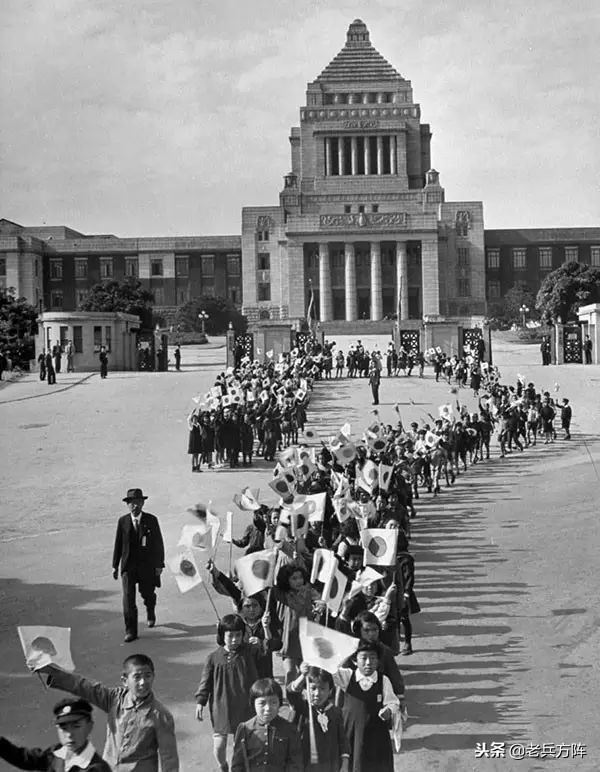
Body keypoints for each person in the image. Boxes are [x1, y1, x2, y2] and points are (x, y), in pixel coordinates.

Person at [40, 655, 178, 772]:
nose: (143, 682)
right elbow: (84, 687)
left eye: (148, 676)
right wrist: (52, 672)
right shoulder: (114, 699)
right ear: (125, 680)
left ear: (153, 676)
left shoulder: (161, 715)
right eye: (137, 677)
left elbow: (169, 758)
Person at [195, 614, 260, 772]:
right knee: (219, 746)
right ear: (221, 635)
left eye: (238, 635)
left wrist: (260, 639)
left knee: (246, 742)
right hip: (221, 705)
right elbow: (205, 682)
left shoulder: (248, 652)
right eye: (230, 635)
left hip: (245, 705)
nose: (234, 639)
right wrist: (200, 702)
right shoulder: (213, 658)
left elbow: (264, 649)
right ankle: (223, 766)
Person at [333, 641, 399, 772]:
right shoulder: (347, 676)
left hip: (376, 736)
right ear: (355, 660)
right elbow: (332, 670)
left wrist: (388, 710)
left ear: (378, 660)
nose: (368, 662)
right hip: (352, 733)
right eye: (363, 658)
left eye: (373, 658)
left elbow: (393, 702)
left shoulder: (383, 680)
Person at [0, 697, 111, 772]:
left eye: (76, 726)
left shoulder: (97, 769)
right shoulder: (56, 752)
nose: (69, 734)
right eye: (63, 728)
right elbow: (25, 758)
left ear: (89, 726)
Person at [112, 487, 165, 642]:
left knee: (147, 593)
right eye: (131, 503)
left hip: (146, 566)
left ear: (142, 503)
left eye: (137, 503)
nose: (134, 506)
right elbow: (118, 544)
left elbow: (158, 544)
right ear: (127, 505)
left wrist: (159, 565)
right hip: (128, 566)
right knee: (128, 599)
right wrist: (115, 565)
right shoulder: (123, 522)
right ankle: (131, 631)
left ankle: (150, 610)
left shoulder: (151, 520)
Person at [231, 678, 303, 772]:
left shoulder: (290, 729)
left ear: (279, 704)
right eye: (262, 703)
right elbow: (237, 764)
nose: (268, 708)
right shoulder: (245, 729)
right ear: (253, 704)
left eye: (273, 702)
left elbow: (295, 763)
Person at [287, 665, 350, 772]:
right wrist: (303, 675)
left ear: (330, 691)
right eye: (313, 688)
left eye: (322, 688)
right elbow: (291, 692)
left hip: (330, 764)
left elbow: (343, 740)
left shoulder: (335, 712)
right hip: (305, 764)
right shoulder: (302, 708)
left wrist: (344, 764)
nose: (317, 693)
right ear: (306, 688)